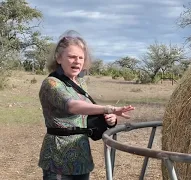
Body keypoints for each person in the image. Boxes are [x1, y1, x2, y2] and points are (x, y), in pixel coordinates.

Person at [38, 30, 135, 180]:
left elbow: (86, 112)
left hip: (82, 157)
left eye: (80, 58)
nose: (77, 61)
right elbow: (72, 106)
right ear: (58, 58)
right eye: (71, 57)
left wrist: (109, 118)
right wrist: (108, 108)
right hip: (58, 158)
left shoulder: (80, 83)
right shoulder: (51, 83)